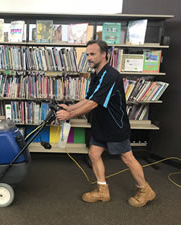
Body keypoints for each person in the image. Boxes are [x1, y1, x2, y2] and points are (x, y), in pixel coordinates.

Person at [56, 40, 156, 207]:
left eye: (92, 54)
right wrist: (70, 107)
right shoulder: (96, 74)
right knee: (94, 154)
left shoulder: (111, 75)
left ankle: (145, 190)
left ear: (104, 55)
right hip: (101, 124)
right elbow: (89, 97)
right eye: (87, 54)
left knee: (127, 158)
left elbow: (93, 103)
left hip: (115, 125)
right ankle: (103, 191)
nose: (88, 57)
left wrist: (70, 114)